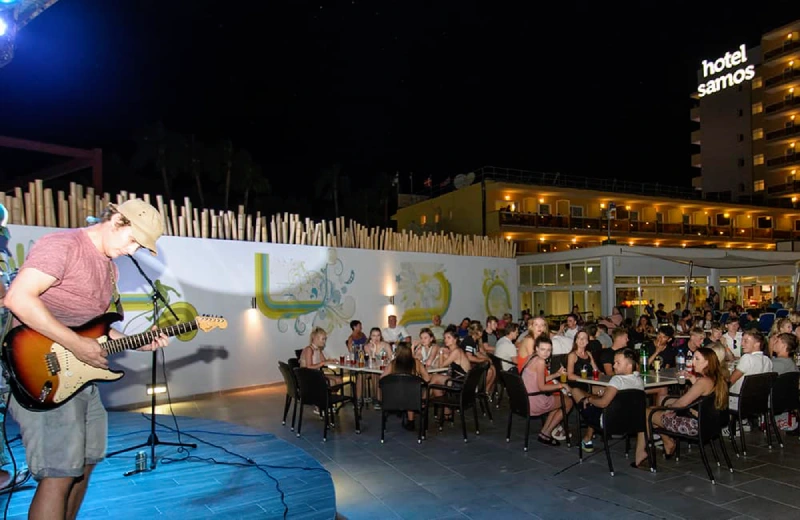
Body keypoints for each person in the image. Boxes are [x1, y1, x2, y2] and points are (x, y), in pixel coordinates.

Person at [5, 199, 170, 520]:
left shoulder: (107, 266)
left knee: (83, 465)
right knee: (58, 473)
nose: (133, 251)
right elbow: (18, 298)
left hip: (80, 377)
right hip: (39, 371)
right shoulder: (64, 245)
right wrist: (77, 345)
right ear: (116, 221)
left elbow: (94, 333)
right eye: (133, 240)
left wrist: (139, 342)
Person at [634, 347, 728, 467]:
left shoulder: (703, 382)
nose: (692, 362)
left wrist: (668, 409)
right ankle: (667, 442)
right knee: (655, 410)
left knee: (646, 413)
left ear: (707, 363)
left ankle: (641, 453)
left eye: (697, 359)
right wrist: (692, 379)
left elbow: (682, 403)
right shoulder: (716, 378)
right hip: (711, 423)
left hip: (694, 425)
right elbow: (703, 393)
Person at [570, 348, 644, 454]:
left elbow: (603, 403)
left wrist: (589, 399)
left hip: (609, 422)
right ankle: (587, 438)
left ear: (629, 365)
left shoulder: (617, 380)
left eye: (618, 363)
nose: (614, 366)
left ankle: (587, 439)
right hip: (630, 421)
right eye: (614, 362)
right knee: (595, 397)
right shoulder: (639, 380)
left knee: (576, 392)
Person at [520, 335, 572, 446]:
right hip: (534, 401)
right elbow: (542, 387)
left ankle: (544, 432)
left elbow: (538, 379)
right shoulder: (540, 362)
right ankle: (546, 433)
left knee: (557, 400)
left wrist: (556, 375)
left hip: (523, 400)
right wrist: (561, 385)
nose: (546, 353)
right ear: (537, 348)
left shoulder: (531, 357)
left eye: (549, 350)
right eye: (543, 349)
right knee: (568, 402)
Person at [381, 342, 430, 431]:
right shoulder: (417, 363)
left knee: (405, 392)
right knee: (411, 391)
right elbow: (427, 379)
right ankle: (411, 422)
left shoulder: (393, 363)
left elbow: (382, 379)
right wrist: (417, 379)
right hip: (413, 398)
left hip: (394, 398)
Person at [728, 331, 773, 412]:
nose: (742, 344)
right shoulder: (768, 361)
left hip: (739, 401)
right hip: (759, 402)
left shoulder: (747, 358)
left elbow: (730, 381)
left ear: (757, 344)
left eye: (746, 341)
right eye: (742, 340)